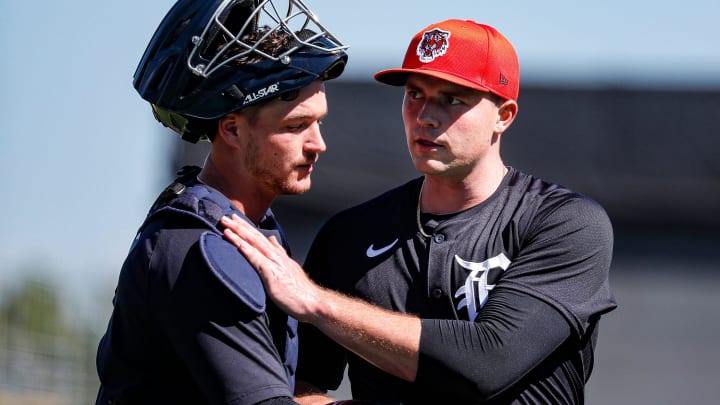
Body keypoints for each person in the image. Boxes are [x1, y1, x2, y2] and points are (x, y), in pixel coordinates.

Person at [221, 18, 617, 404]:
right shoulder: (350, 234)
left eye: (452, 99)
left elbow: (487, 364)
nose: (426, 116)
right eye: (415, 94)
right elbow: (299, 383)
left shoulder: (564, 223)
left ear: (503, 116)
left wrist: (318, 303)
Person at [94, 0, 348, 404]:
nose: (318, 144)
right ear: (231, 129)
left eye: (319, 122)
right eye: (296, 126)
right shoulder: (204, 250)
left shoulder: (246, 223)